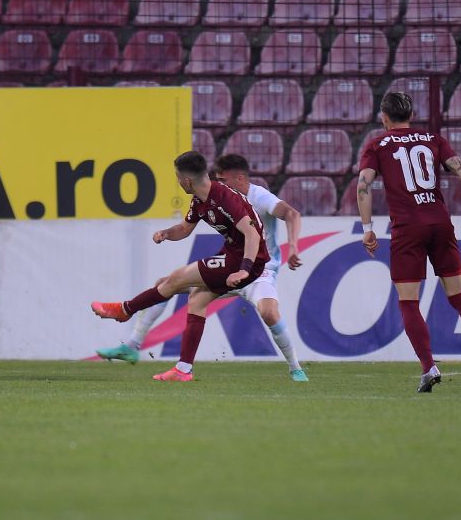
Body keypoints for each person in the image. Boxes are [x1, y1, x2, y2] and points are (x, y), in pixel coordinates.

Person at [96, 154, 308, 381]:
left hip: (250, 263)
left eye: (178, 177)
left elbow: (253, 235)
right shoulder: (200, 199)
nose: (177, 181)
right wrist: (167, 233)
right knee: (196, 298)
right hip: (234, 258)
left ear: (186, 181)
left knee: (176, 279)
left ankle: (125, 309)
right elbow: (185, 229)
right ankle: (182, 369)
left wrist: (245, 269)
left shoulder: (226, 198)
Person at [358, 92, 461, 393]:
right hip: (439, 222)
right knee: (459, 295)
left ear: (384, 116)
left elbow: (364, 184)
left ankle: (429, 367)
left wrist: (367, 227)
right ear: (410, 115)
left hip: (408, 228)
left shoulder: (377, 145)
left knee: (409, 301)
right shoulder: (432, 138)